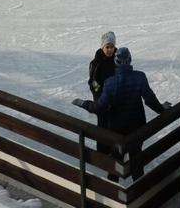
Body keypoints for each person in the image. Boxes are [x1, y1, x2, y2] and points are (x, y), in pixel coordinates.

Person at [71, 47, 172, 179]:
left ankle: (113, 188)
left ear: (116, 62)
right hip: (137, 127)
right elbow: (150, 99)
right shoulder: (139, 77)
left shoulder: (110, 83)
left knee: (116, 161)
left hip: (116, 129)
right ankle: (139, 190)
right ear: (129, 60)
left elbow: (99, 107)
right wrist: (161, 109)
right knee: (136, 159)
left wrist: (84, 103)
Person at [89, 31, 118, 155]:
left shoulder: (118, 60)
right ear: (102, 47)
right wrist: (101, 97)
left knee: (115, 126)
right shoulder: (96, 64)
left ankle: (115, 151)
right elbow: (93, 84)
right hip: (102, 101)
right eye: (107, 47)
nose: (110, 50)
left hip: (116, 101)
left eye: (112, 47)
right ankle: (102, 154)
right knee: (102, 126)